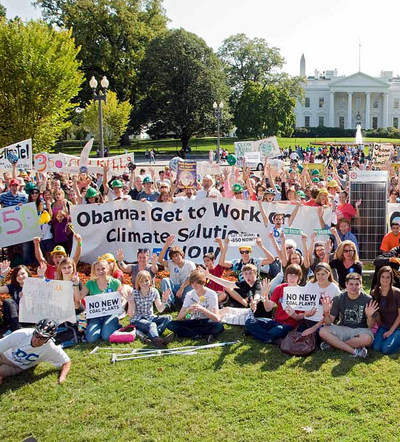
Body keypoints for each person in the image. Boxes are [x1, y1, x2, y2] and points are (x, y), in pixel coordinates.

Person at [244, 264, 310, 344]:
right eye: (290, 275)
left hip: (290, 325)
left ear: (299, 278)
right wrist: (265, 296)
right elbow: (268, 308)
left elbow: (302, 316)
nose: (292, 278)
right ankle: (270, 338)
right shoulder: (280, 288)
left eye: (295, 275)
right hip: (276, 321)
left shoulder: (302, 292)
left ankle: (260, 334)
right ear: (286, 276)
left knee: (277, 331)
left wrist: (294, 316)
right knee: (249, 322)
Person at [319, 273, 378, 358]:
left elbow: (371, 325)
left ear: (361, 285)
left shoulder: (367, 299)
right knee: (323, 331)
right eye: (351, 284)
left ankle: (333, 344)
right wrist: (326, 312)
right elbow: (329, 323)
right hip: (343, 328)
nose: (354, 287)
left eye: (357, 284)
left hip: (361, 329)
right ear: (346, 284)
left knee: (367, 339)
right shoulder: (339, 298)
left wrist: (369, 316)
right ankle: (354, 351)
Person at [0, 319, 71, 385]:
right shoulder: (21, 334)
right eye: (37, 335)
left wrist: (62, 377)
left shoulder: (50, 348)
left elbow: (66, 362)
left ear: (49, 338)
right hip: (3, 354)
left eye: (43, 338)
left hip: (16, 366)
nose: (37, 340)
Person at [167, 269, 224, 343]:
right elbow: (179, 318)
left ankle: (189, 334)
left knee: (219, 326)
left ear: (203, 282)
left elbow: (217, 318)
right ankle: (203, 335)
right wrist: (188, 310)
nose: (195, 285)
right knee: (171, 325)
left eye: (198, 283)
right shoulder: (189, 294)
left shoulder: (212, 294)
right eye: (192, 283)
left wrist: (203, 309)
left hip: (206, 321)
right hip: (192, 321)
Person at [126, 270, 174, 348]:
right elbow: (131, 314)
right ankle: (157, 340)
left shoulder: (154, 292)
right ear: (138, 282)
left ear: (150, 281)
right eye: (141, 281)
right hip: (137, 319)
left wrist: (164, 301)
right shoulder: (134, 293)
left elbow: (160, 309)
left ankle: (152, 333)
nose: (144, 283)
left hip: (150, 317)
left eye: (146, 280)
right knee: (152, 324)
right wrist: (131, 303)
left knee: (168, 318)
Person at [78, 259, 122, 342]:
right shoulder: (90, 283)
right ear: (95, 270)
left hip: (110, 314)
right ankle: (102, 327)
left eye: (103, 269)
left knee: (106, 336)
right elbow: (79, 296)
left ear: (108, 268)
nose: (100, 271)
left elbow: (120, 299)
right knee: (91, 339)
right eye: (98, 269)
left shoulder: (116, 283)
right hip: (95, 315)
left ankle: (111, 325)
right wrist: (75, 284)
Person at [298, 262, 341, 341]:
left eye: (323, 274)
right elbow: (305, 306)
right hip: (308, 319)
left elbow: (332, 314)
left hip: (323, 321)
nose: (320, 277)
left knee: (314, 338)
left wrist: (314, 328)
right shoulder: (310, 284)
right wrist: (307, 314)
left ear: (328, 274)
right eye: (318, 274)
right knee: (299, 335)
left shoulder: (334, 289)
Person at [158, 235, 196, 307]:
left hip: (185, 287)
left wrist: (182, 288)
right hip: (174, 288)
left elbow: (193, 276)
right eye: (173, 257)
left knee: (192, 284)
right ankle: (169, 304)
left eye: (177, 255)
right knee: (165, 280)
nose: (175, 258)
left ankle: (185, 303)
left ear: (181, 255)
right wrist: (166, 245)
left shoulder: (190, 264)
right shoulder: (171, 264)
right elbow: (160, 260)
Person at [371, 266, 400, 354]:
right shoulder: (374, 293)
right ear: (379, 278)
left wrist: (391, 331)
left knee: (385, 349)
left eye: (388, 277)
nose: (385, 279)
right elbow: (376, 313)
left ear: (391, 278)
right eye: (383, 276)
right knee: (375, 347)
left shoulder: (397, 293)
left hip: (397, 327)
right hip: (384, 326)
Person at [0, 262, 35, 333]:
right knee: (8, 302)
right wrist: (2, 276)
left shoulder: (35, 285)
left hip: (32, 316)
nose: (20, 277)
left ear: (28, 273)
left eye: (22, 274)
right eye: (17, 275)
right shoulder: (13, 287)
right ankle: (17, 330)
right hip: (17, 318)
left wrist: (41, 276)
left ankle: (15, 330)